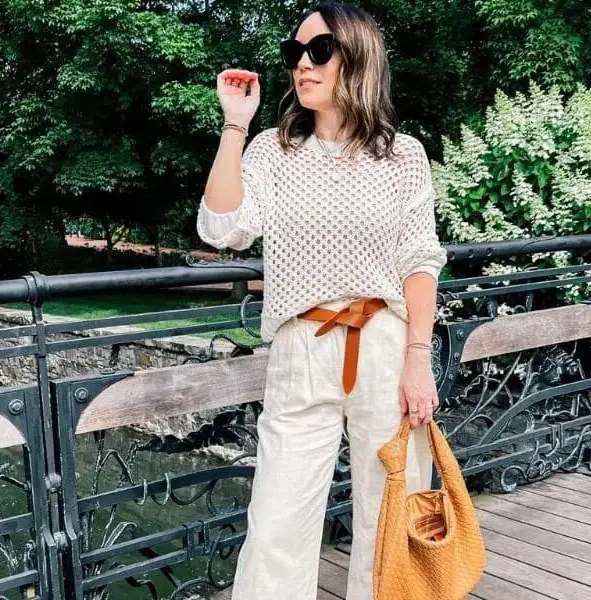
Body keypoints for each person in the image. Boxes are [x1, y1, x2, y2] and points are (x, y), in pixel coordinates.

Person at [196, 2, 448, 598]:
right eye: (294, 53)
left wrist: (418, 357)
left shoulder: (402, 154)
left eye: (318, 51)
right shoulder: (270, 150)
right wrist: (235, 123)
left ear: (355, 56)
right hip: (299, 348)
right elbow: (221, 226)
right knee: (277, 523)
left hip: (385, 345)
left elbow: (420, 260)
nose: (302, 66)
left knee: (390, 518)